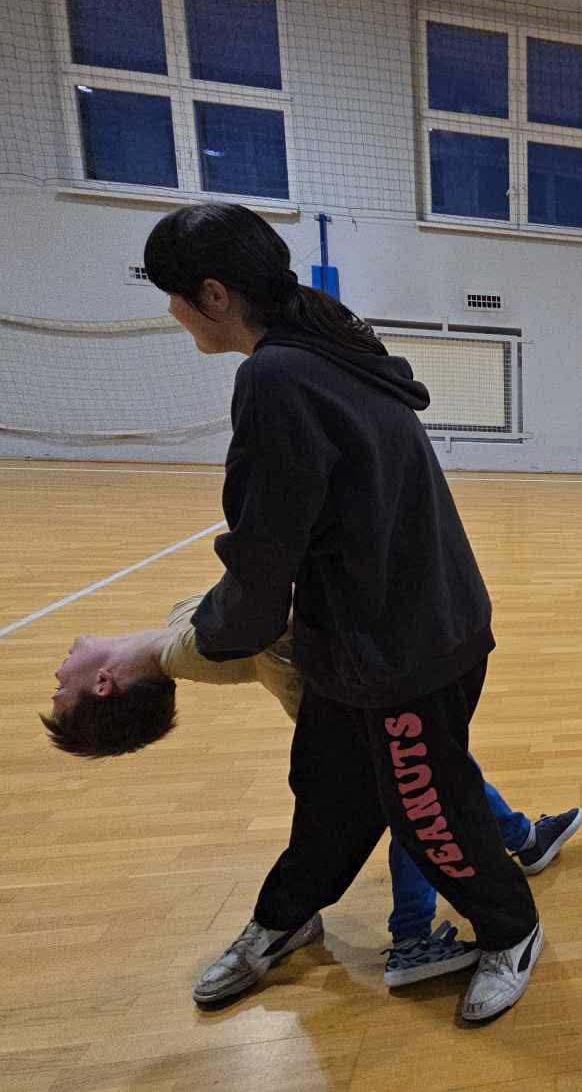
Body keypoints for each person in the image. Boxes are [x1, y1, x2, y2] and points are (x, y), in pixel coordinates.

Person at [139, 202, 540, 1023]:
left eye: (175, 297)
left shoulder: (280, 375)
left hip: (407, 647)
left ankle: (512, 929)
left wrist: (199, 639)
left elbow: (264, 549)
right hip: (362, 638)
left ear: (213, 295)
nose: (172, 314)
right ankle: (286, 918)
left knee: (428, 812)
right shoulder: (323, 348)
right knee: (326, 795)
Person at [42, 593, 582, 989]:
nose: (58, 675)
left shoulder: (181, 632)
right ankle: (413, 937)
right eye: (63, 688)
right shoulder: (192, 646)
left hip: (356, 701)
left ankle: (525, 838)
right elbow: (279, 606)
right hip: (359, 709)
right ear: (103, 684)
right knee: (421, 800)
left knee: (442, 782)